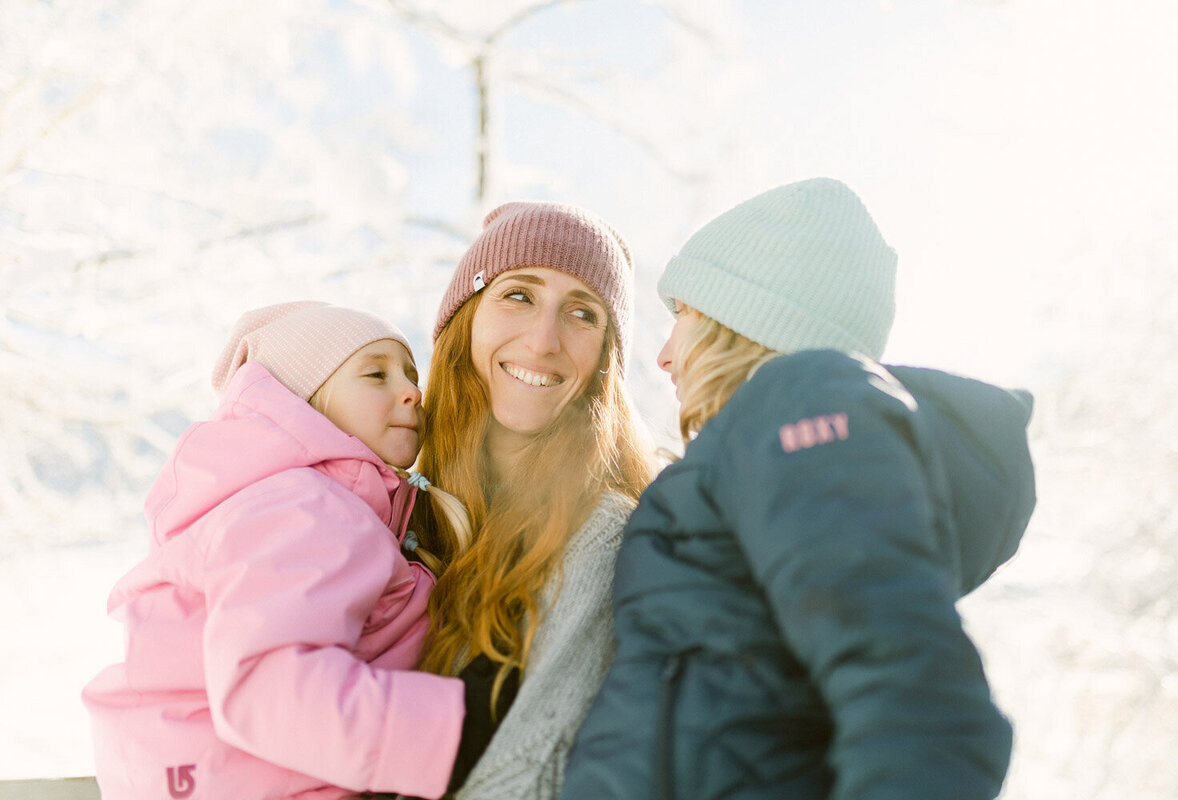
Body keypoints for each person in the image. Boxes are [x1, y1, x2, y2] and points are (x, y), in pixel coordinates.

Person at [560, 178, 1038, 800]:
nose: (664, 354)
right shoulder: (765, 443)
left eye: (682, 315)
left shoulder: (801, 403)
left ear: (743, 319)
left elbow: (913, 693)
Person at [82, 301, 472, 800]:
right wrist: (456, 731)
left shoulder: (305, 503)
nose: (412, 392)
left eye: (411, 373)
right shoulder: (306, 506)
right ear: (304, 402)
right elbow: (267, 685)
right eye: (376, 375)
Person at [408, 201, 658, 799]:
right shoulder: (393, 510)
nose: (544, 341)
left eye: (582, 313)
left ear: (606, 362)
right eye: (519, 295)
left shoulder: (605, 537)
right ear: (466, 316)